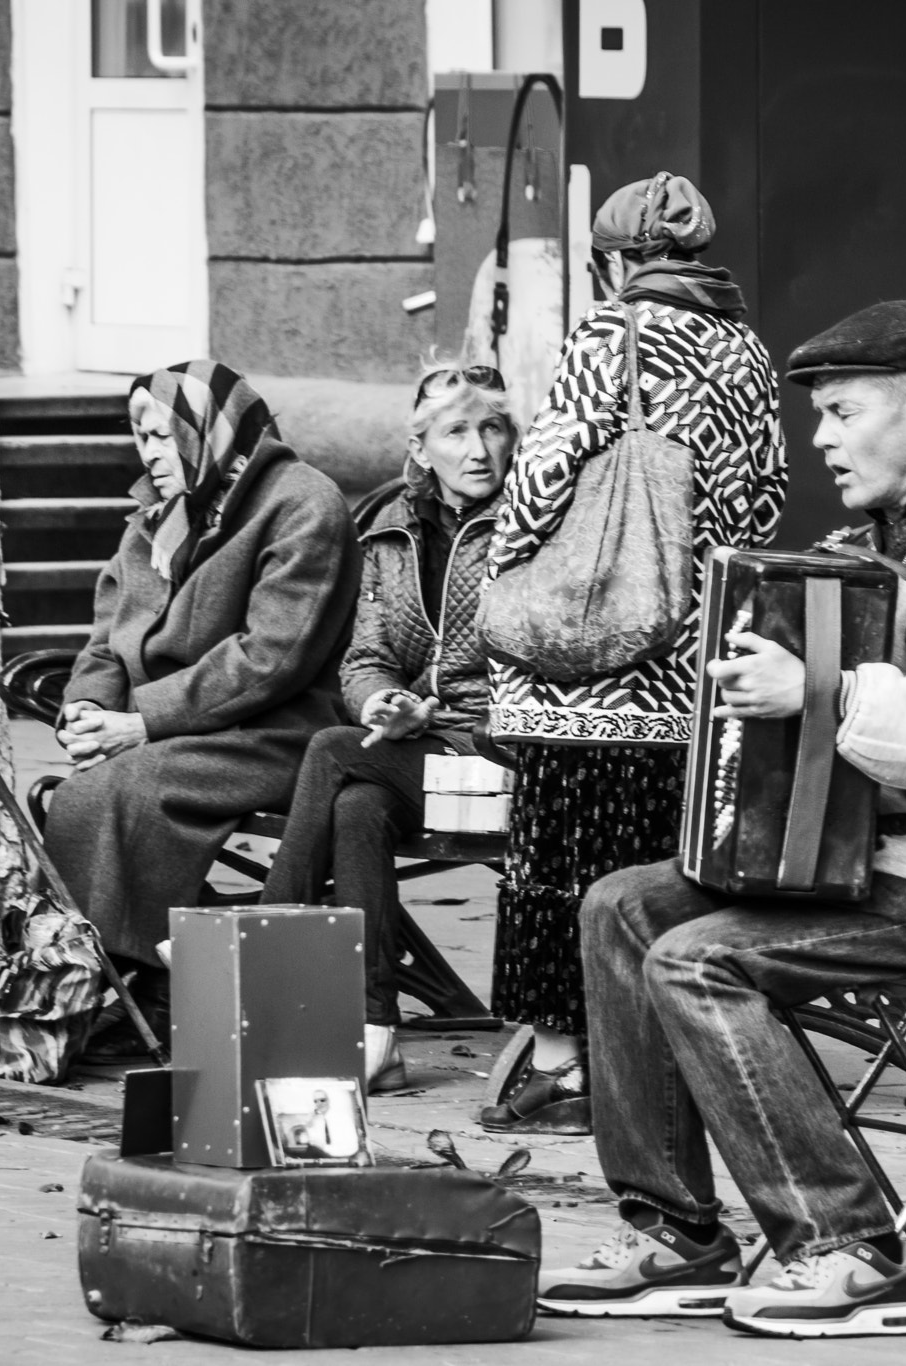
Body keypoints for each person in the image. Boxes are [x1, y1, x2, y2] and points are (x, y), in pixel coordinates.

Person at [536, 302, 906, 1338]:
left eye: (843, 411)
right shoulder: (885, 535)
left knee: (698, 959)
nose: (822, 438)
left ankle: (850, 1246)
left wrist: (821, 690)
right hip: (885, 856)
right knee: (621, 906)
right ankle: (677, 1232)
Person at [478, 172, 785, 1134]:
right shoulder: (748, 347)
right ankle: (664, 1048)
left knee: (563, 861)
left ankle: (571, 1066)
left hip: (592, 670)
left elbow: (543, 471)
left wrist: (509, 566)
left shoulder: (614, 334)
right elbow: (768, 497)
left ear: (615, 257)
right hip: (695, 666)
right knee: (656, 862)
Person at [47, 361, 361, 1051]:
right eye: (140, 438)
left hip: (277, 731)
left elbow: (270, 656)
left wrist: (141, 721)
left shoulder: (303, 503)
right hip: (172, 730)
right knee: (75, 793)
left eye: (161, 436)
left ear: (207, 429)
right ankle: (101, 980)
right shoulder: (159, 519)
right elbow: (106, 637)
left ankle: (134, 988)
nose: (150, 455)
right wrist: (86, 707)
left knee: (127, 787)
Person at [260, 363, 517, 1091]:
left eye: (492, 428)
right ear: (419, 444)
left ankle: (261, 941)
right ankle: (375, 1034)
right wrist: (382, 703)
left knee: (333, 752)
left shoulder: (531, 529)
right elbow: (367, 657)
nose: (478, 450)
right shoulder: (391, 532)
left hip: (501, 752)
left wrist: (434, 713)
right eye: (456, 431)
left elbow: (542, 662)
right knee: (357, 806)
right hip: (421, 755)